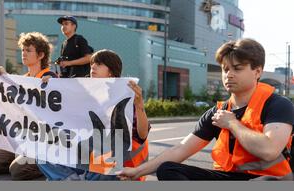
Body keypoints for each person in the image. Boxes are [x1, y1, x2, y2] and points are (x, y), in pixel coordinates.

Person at [118, 38, 294, 181]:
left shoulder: (277, 105)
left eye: (237, 69)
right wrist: (138, 171)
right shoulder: (216, 112)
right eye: (225, 69)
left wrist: (232, 123)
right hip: (228, 177)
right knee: (168, 169)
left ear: (257, 71)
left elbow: (269, 151)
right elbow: (180, 149)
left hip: (268, 179)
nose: (229, 74)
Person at [37, 49, 150, 181]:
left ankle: (69, 179)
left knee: (106, 167)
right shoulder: (84, 94)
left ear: (111, 72)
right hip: (85, 155)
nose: (93, 67)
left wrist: (139, 106)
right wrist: (54, 85)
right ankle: (73, 179)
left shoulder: (125, 96)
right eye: (92, 64)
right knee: (42, 154)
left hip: (113, 161)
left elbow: (142, 135)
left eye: (99, 64)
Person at [0, 32, 58, 180]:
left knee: (18, 171)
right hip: (21, 137)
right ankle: (20, 158)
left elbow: (62, 99)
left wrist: (55, 83)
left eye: (28, 50)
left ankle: (48, 163)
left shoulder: (49, 76)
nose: (24, 54)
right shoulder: (22, 80)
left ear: (40, 55)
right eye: (23, 50)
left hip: (41, 140)